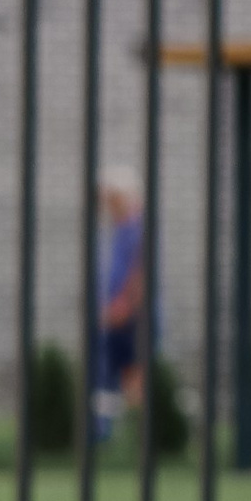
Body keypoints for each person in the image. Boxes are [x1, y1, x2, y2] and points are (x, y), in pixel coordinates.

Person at [92, 167, 147, 444]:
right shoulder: (120, 228)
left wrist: (123, 305)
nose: (106, 205)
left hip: (130, 317)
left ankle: (139, 435)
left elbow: (140, 271)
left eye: (110, 198)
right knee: (117, 375)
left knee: (133, 373)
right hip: (117, 314)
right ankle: (108, 433)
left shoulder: (136, 227)